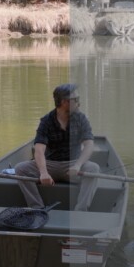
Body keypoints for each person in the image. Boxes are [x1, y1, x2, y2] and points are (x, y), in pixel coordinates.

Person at [15, 84, 100, 212]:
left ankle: (80, 211)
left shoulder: (81, 119)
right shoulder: (46, 121)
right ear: (64, 102)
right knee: (20, 169)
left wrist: (78, 165)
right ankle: (38, 209)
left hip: (73, 165)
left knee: (93, 169)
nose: (79, 103)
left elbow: (89, 144)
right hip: (50, 164)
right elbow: (39, 150)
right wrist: (43, 172)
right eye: (76, 99)